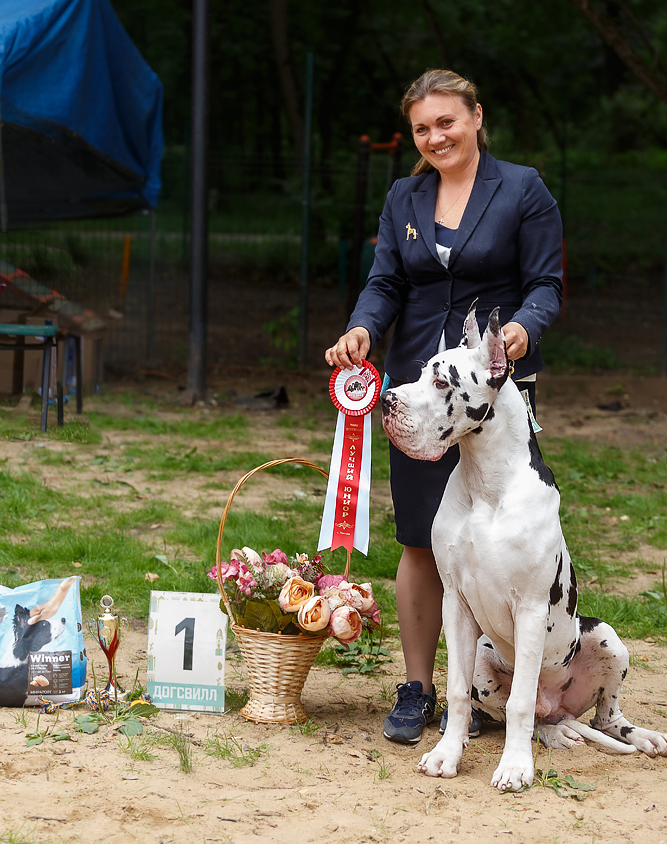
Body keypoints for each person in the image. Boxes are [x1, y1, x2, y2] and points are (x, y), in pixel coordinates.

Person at [325, 69, 562, 745]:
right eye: (423, 128)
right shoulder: (404, 194)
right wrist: (363, 328)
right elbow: (385, 283)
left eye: (447, 122)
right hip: (419, 395)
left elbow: (546, 285)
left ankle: (501, 683)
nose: (436, 138)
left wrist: (522, 328)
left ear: (477, 117)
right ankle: (418, 689)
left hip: (494, 397)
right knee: (423, 538)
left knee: (504, 539)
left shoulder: (523, 188)